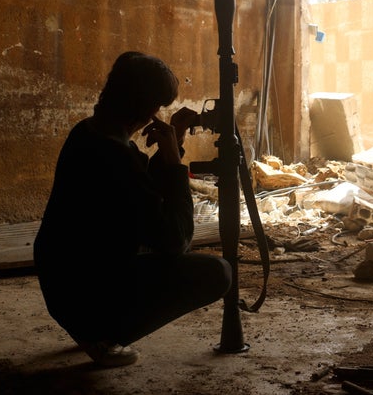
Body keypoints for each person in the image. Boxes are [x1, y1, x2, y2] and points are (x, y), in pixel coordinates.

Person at [33, 51, 232, 367]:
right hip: (87, 299)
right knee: (217, 273)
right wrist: (174, 166)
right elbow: (176, 239)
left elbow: (139, 195)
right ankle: (103, 335)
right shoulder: (118, 157)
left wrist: (174, 141)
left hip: (63, 288)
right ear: (149, 109)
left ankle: (90, 328)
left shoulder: (88, 132)